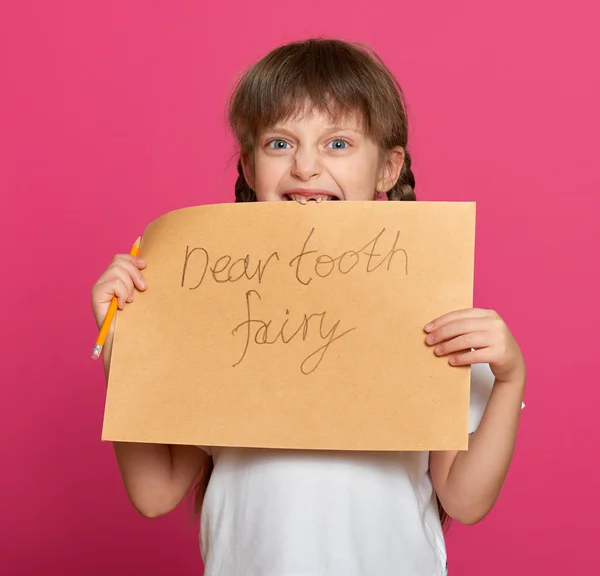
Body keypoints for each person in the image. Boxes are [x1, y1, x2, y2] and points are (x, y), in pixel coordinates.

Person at [91, 38, 526, 576]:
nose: (305, 167)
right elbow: (155, 492)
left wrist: (509, 379)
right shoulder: (208, 307)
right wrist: (124, 339)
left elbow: (464, 500)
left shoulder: (430, 310)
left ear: (388, 170)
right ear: (249, 167)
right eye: (279, 143)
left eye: (337, 144)